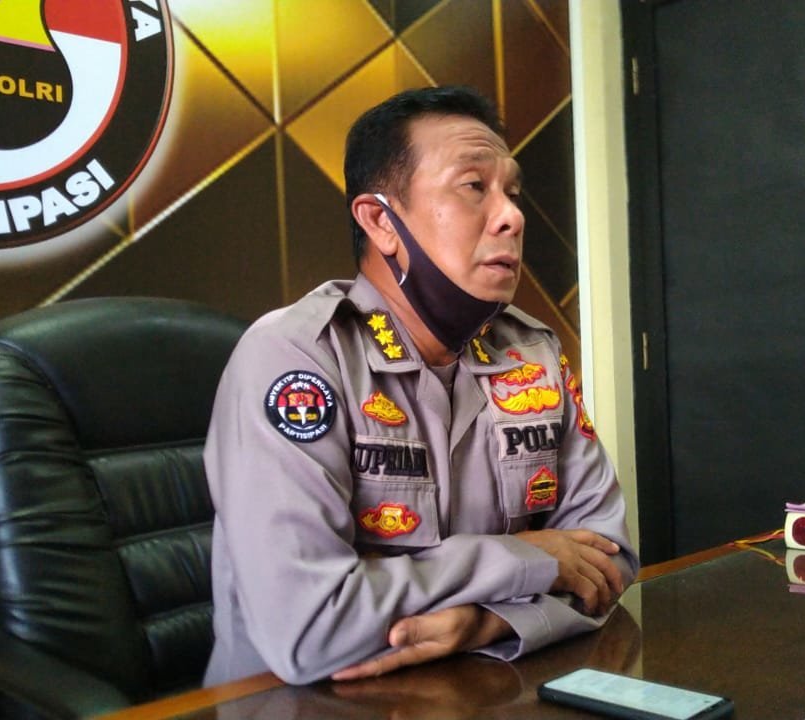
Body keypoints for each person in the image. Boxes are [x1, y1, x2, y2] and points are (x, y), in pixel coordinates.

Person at [203, 85, 638, 686]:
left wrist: (486, 623)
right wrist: (529, 557)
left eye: (512, 192)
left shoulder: (531, 351)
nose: (511, 216)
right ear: (381, 221)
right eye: (473, 186)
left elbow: (608, 561)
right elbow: (309, 630)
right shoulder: (296, 358)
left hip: (483, 689)